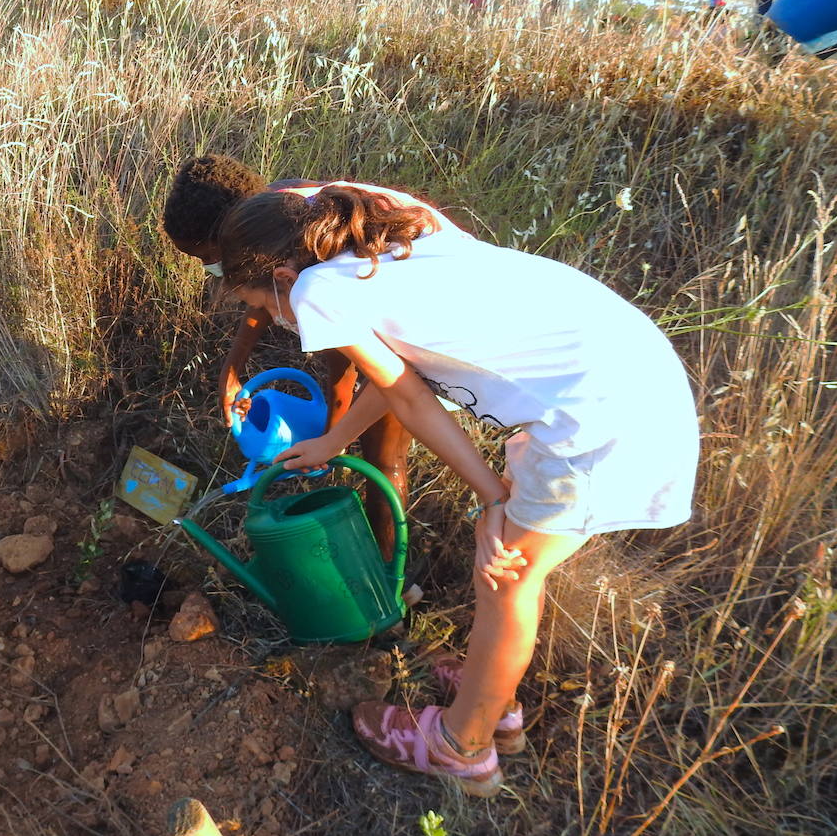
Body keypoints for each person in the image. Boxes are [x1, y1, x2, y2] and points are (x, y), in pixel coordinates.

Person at [215, 185, 697, 796]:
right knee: (505, 565)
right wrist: (336, 441)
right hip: (624, 369)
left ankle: (463, 744)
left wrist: (493, 497)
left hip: (598, 423)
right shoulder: (389, 234)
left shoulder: (314, 290)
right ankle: (492, 701)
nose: (281, 320)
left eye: (264, 305)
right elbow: (401, 375)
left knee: (507, 578)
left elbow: (412, 399)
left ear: (284, 278)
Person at [162, 155, 462, 559]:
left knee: (383, 454)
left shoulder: (321, 263)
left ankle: (391, 576)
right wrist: (231, 370)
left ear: (234, 232)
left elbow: (348, 362)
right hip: (398, 289)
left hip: (435, 319)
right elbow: (260, 287)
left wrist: (332, 438)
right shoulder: (274, 216)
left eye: (208, 258)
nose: (207, 268)